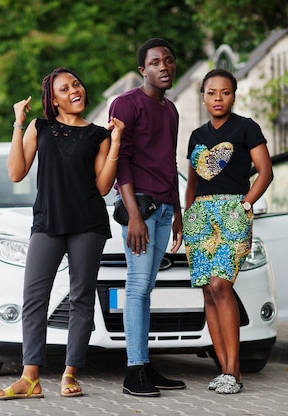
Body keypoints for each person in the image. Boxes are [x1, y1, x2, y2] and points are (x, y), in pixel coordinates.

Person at [0, 67, 125, 400]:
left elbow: (103, 186)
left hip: (88, 225)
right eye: (64, 89)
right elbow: (15, 172)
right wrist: (18, 123)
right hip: (47, 223)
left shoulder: (99, 134)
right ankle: (30, 377)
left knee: (81, 298)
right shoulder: (40, 127)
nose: (74, 91)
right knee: (34, 299)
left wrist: (115, 144)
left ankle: (70, 373)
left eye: (76, 84)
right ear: (52, 99)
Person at [183, 68, 273, 394]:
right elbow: (193, 180)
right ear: (203, 96)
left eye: (225, 92)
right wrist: (186, 214)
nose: (218, 98)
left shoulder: (246, 128)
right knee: (208, 289)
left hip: (234, 210)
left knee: (222, 284)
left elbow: (265, 172)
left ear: (234, 95)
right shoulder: (196, 136)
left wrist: (246, 206)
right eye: (211, 92)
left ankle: (234, 372)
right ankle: (223, 371)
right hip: (200, 215)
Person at [109, 38, 186, 397]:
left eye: (169, 61)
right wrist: (135, 217)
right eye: (155, 62)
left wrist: (178, 214)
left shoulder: (171, 110)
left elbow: (169, 163)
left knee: (146, 289)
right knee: (138, 288)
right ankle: (134, 371)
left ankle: (144, 363)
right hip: (139, 209)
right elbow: (120, 160)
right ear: (143, 69)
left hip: (165, 208)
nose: (164, 67)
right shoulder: (126, 104)